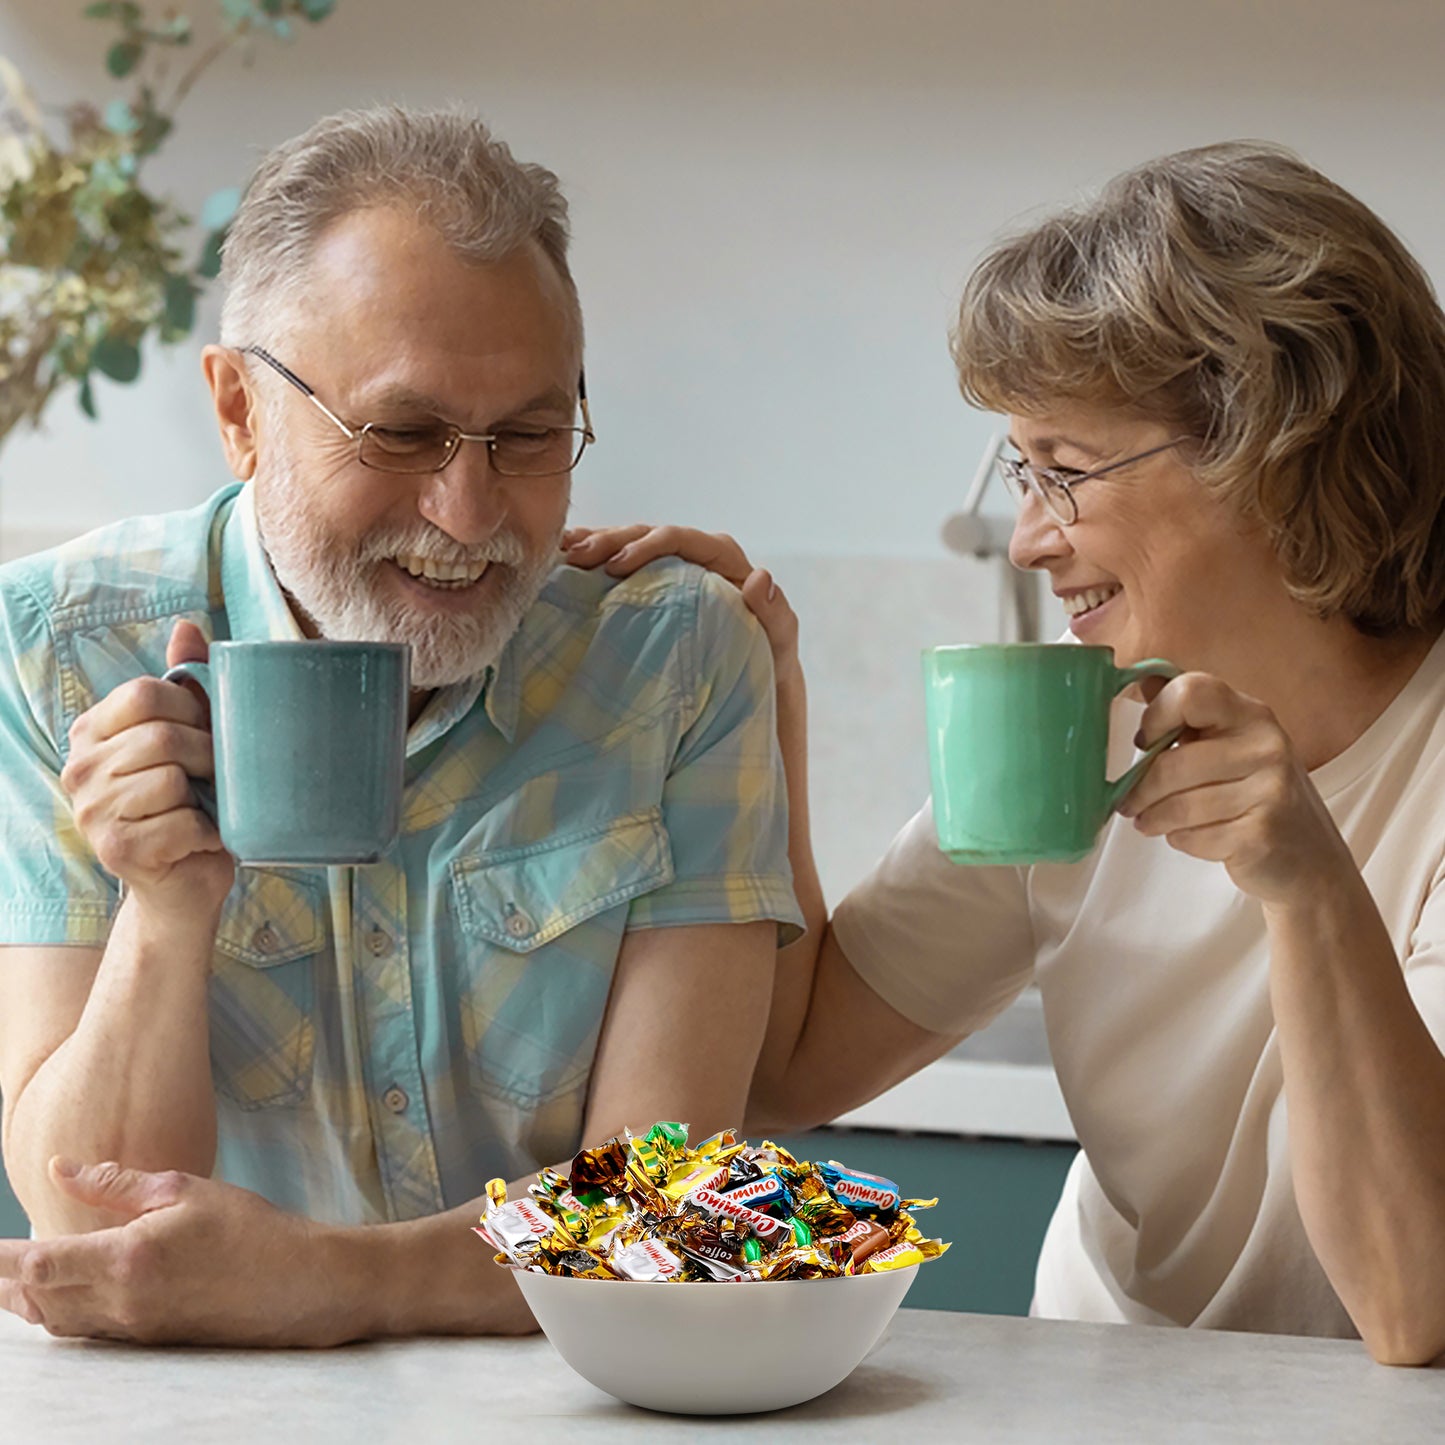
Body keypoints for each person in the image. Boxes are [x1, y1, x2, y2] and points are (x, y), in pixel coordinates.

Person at [566, 141, 1445, 1365]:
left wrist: (1304, 884)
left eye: (1066, 473)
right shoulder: (1083, 733)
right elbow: (791, 1064)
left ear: (1275, 456)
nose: (1029, 538)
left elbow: (1415, 1305)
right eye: (1019, 471)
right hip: (1100, 1385)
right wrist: (761, 708)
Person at [0, 106, 801, 1345]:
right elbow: (91, 1231)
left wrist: (337, 1280)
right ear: (238, 411)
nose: (469, 508)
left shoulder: (676, 656)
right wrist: (164, 906)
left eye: (528, 433)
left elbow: (666, 1204)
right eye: (403, 431)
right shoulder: (57, 646)